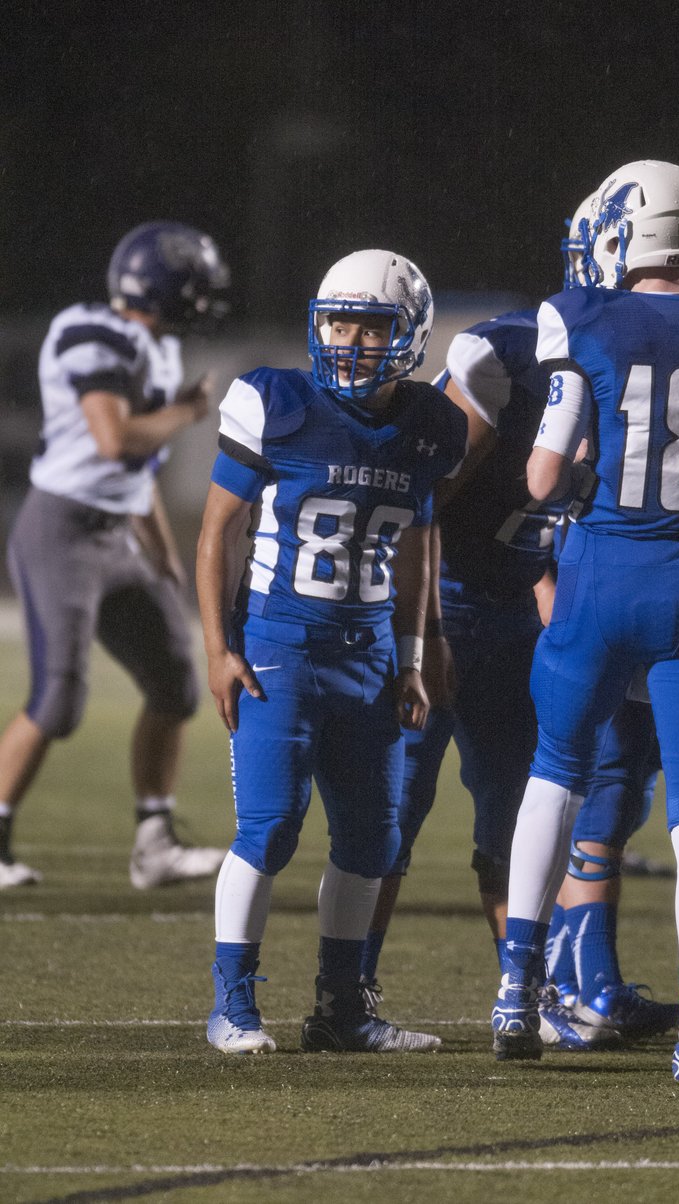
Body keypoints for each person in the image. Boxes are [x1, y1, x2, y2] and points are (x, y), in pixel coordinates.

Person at [491, 159, 679, 1085]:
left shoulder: (584, 318)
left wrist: (595, 485)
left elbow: (542, 481)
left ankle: (516, 992)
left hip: (598, 584)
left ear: (626, 229)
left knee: (555, 776)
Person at [360, 210, 677, 1050]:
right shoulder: (509, 355)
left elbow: (546, 519)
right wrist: (421, 640)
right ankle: (346, 994)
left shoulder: (632, 359)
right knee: (395, 814)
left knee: (518, 814)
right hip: (448, 609)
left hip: (514, 612)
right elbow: (426, 508)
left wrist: (544, 585)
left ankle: (532, 991)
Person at [195, 248, 468, 1055]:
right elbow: (217, 533)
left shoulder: (431, 426)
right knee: (272, 827)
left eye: (370, 325)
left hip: (374, 654)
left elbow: (419, 548)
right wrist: (219, 648)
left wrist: (414, 654)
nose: (349, 341)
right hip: (281, 644)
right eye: (338, 322)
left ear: (410, 335)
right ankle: (233, 1004)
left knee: (373, 842)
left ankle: (342, 1010)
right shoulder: (275, 400)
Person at [0, 221, 230, 890]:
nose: (204, 299)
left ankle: (154, 845)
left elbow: (137, 469)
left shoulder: (156, 348)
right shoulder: (90, 330)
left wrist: (160, 550)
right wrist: (188, 412)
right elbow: (112, 438)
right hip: (62, 532)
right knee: (59, 700)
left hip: (119, 533)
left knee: (176, 683)